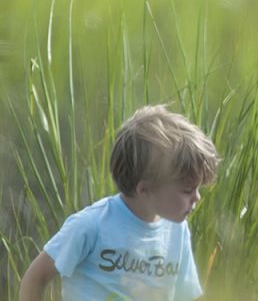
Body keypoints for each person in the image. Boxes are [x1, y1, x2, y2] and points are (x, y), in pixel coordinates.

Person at [19, 105, 220, 301]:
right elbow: (35, 278)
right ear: (145, 189)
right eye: (187, 190)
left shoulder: (178, 231)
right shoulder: (91, 225)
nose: (197, 197)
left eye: (197, 188)